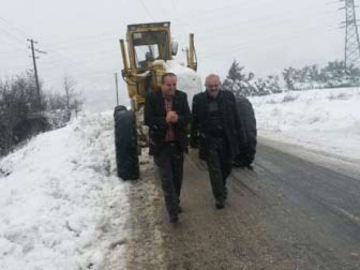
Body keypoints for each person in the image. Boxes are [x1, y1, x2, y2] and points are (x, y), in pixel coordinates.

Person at [144, 72, 191, 223]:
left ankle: (175, 201)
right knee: (167, 179)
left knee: (177, 178)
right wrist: (164, 120)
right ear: (161, 84)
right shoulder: (152, 98)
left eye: (174, 85)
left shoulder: (181, 97)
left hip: (177, 144)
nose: (172, 88)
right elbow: (148, 120)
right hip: (161, 145)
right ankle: (172, 212)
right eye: (168, 85)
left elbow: (188, 117)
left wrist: (178, 119)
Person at [190, 74, 242, 209]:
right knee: (215, 171)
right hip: (209, 140)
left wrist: (241, 136)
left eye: (215, 86)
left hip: (226, 139)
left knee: (227, 167)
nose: (213, 88)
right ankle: (219, 197)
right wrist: (193, 139)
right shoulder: (199, 99)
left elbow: (237, 118)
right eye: (210, 86)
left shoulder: (229, 97)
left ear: (219, 85)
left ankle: (221, 185)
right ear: (206, 87)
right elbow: (194, 121)